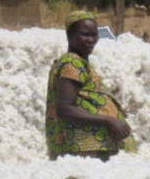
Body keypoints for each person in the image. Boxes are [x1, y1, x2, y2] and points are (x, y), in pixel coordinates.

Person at [46, 11, 135, 160]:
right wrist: (109, 120)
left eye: (94, 35)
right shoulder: (72, 63)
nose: (91, 40)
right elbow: (65, 109)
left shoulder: (78, 62)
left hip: (90, 147)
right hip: (85, 147)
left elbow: (84, 98)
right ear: (70, 35)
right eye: (85, 35)